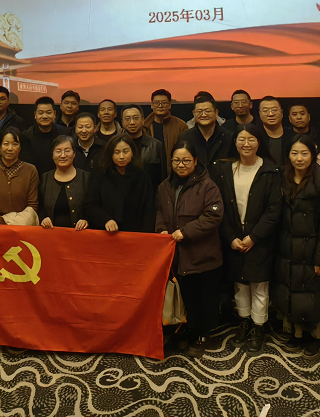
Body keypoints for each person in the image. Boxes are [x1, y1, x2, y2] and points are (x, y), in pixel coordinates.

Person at [209, 122, 282, 353]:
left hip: (260, 238)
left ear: (259, 142)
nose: (246, 144)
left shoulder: (271, 170)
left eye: (251, 139)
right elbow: (218, 205)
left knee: (259, 285)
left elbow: (274, 210)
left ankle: (258, 327)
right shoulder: (224, 169)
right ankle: (244, 322)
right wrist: (230, 237)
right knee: (240, 283)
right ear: (235, 142)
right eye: (241, 139)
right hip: (233, 237)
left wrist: (254, 237)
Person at [156, 143, 224, 358]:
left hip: (202, 253)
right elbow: (159, 211)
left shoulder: (208, 185)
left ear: (195, 161)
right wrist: (161, 229)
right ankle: (186, 330)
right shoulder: (164, 186)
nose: (181, 165)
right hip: (177, 253)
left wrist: (186, 232)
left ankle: (202, 335)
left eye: (186, 160)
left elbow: (213, 215)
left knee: (204, 298)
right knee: (185, 296)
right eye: (176, 160)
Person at [273, 134, 320, 357]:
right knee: (292, 290)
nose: (299, 158)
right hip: (287, 246)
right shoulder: (281, 178)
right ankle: (296, 334)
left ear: (313, 155)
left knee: (314, 294)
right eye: (294, 153)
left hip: (312, 247)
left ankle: (315, 336)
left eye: (304, 153)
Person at [84, 133, 156, 233]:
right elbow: (90, 205)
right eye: (117, 152)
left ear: (132, 152)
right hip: (105, 231)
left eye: (126, 151)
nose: (121, 156)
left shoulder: (142, 176)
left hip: (134, 233)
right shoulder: (100, 174)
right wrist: (106, 220)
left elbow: (148, 210)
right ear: (110, 154)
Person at [0, 128, 40, 225]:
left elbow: (32, 205)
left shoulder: (30, 170)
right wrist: (3, 225)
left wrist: (17, 225)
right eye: (6, 144)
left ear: (20, 147)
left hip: (23, 226)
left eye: (15, 144)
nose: (10, 148)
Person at [39, 136, 91, 230]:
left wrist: (86, 220)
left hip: (80, 233)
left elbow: (93, 206)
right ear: (52, 155)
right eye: (58, 151)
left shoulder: (86, 178)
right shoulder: (45, 178)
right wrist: (43, 218)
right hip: (50, 233)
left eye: (67, 151)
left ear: (74, 153)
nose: (63, 155)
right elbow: (39, 206)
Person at [177, 92, 235, 166]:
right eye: (199, 111)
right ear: (194, 113)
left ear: (216, 113)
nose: (204, 115)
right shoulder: (185, 137)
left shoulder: (228, 137)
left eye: (208, 111)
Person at [122, 105, 166, 188]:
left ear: (143, 120)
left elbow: (163, 176)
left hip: (149, 193)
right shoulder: (115, 146)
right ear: (122, 122)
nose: (132, 122)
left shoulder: (156, 145)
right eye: (127, 119)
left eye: (136, 118)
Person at [23, 97, 68, 175]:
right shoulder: (26, 136)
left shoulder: (64, 134)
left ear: (54, 114)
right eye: (40, 113)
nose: (44, 116)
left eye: (48, 112)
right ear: (35, 115)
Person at [144, 89, 189, 160]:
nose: (160, 106)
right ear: (152, 105)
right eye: (156, 103)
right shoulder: (144, 126)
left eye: (164, 103)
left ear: (169, 105)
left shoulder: (180, 125)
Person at [259, 95, 293, 166]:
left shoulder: (293, 137)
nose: (271, 114)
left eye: (274, 110)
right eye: (265, 111)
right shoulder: (255, 137)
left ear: (281, 113)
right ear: (260, 114)